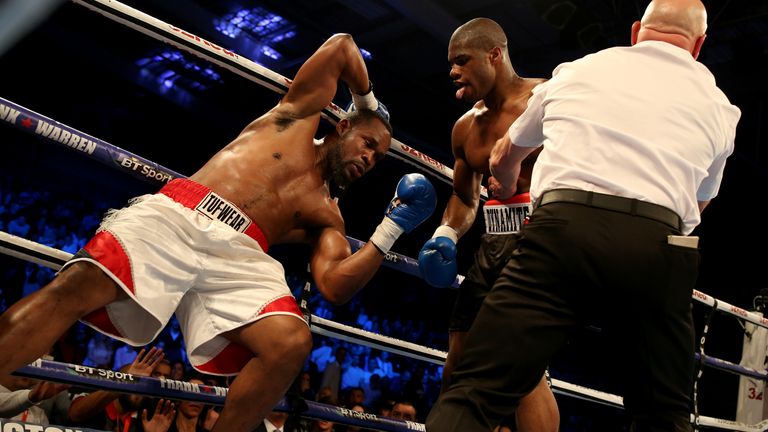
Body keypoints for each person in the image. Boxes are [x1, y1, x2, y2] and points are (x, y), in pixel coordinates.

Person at [0, 33, 436, 432]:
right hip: (183, 212)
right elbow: (342, 46)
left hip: (242, 253)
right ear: (343, 127)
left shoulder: (328, 214)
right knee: (74, 287)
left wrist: (390, 229)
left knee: (291, 341)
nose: (369, 159)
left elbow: (335, 286)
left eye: (378, 159)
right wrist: (368, 103)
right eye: (368, 145)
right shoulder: (296, 116)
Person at [426, 1, 741, 431]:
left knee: (474, 389)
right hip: (657, 245)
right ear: (699, 45)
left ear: (635, 31)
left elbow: (504, 155)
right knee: (664, 415)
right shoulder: (722, 108)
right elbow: (698, 207)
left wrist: (504, 179)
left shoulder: (578, 71)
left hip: (559, 232)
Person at [417, 17, 558, 431]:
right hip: (493, 244)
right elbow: (464, 197)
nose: (452, 71)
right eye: (451, 63)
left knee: (522, 367)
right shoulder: (466, 128)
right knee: (458, 357)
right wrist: (446, 234)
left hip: (542, 239)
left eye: (461, 60)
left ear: (494, 55)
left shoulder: (548, 98)